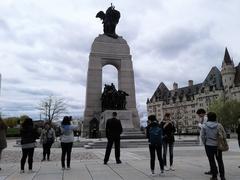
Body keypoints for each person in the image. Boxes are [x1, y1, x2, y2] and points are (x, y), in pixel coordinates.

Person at [201, 112, 226, 180]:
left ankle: (214, 176)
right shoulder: (219, 125)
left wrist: (205, 143)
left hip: (209, 145)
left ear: (208, 118)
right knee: (220, 161)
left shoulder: (204, 126)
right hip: (218, 145)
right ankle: (222, 176)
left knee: (211, 160)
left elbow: (202, 136)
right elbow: (224, 135)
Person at [197, 108, 212, 175]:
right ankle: (213, 169)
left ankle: (213, 169)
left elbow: (205, 127)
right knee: (210, 156)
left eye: (199, 114)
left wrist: (199, 125)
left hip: (207, 140)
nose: (199, 116)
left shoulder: (205, 118)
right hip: (207, 139)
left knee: (210, 156)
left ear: (202, 113)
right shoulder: (203, 118)